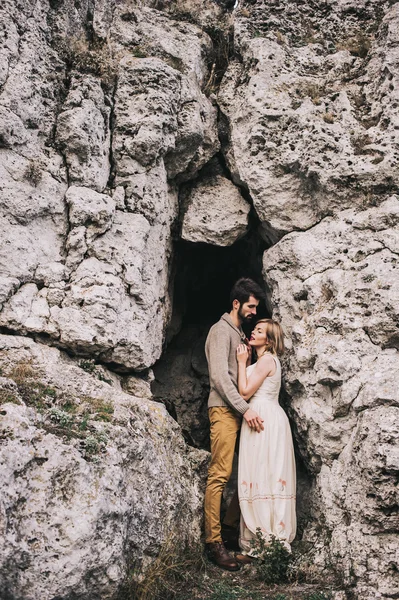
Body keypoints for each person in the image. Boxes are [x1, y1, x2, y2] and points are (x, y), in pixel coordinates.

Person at [204, 278, 265, 571]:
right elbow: (218, 376)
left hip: (240, 412)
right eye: (251, 306)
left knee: (249, 471)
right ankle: (214, 542)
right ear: (237, 304)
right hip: (224, 410)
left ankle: (229, 528)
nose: (254, 311)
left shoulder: (240, 334)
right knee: (220, 474)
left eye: (256, 307)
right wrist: (244, 408)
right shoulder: (220, 331)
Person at [235, 319, 296, 564]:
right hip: (263, 415)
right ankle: (259, 539)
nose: (253, 332)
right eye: (255, 329)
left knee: (263, 472)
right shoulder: (262, 361)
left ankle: (269, 539)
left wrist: (241, 364)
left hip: (263, 417)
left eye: (259, 331)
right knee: (261, 472)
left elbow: (245, 392)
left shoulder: (268, 360)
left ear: (269, 340)